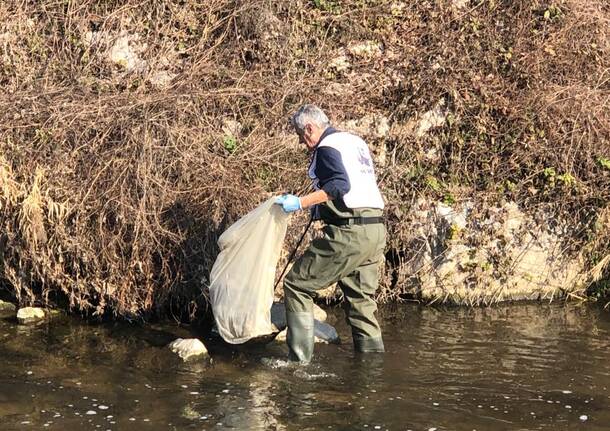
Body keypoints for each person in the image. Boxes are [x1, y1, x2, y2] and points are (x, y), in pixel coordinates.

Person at [275, 104, 386, 363]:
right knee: (361, 302)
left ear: (310, 128)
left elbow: (339, 185)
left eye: (301, 136)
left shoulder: (326, 147)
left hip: (351, 233)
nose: (303, 143)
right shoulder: (354, 141)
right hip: (375, 229)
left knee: (297, 284)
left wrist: (301, 203)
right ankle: (373, 369)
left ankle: (298, 364)